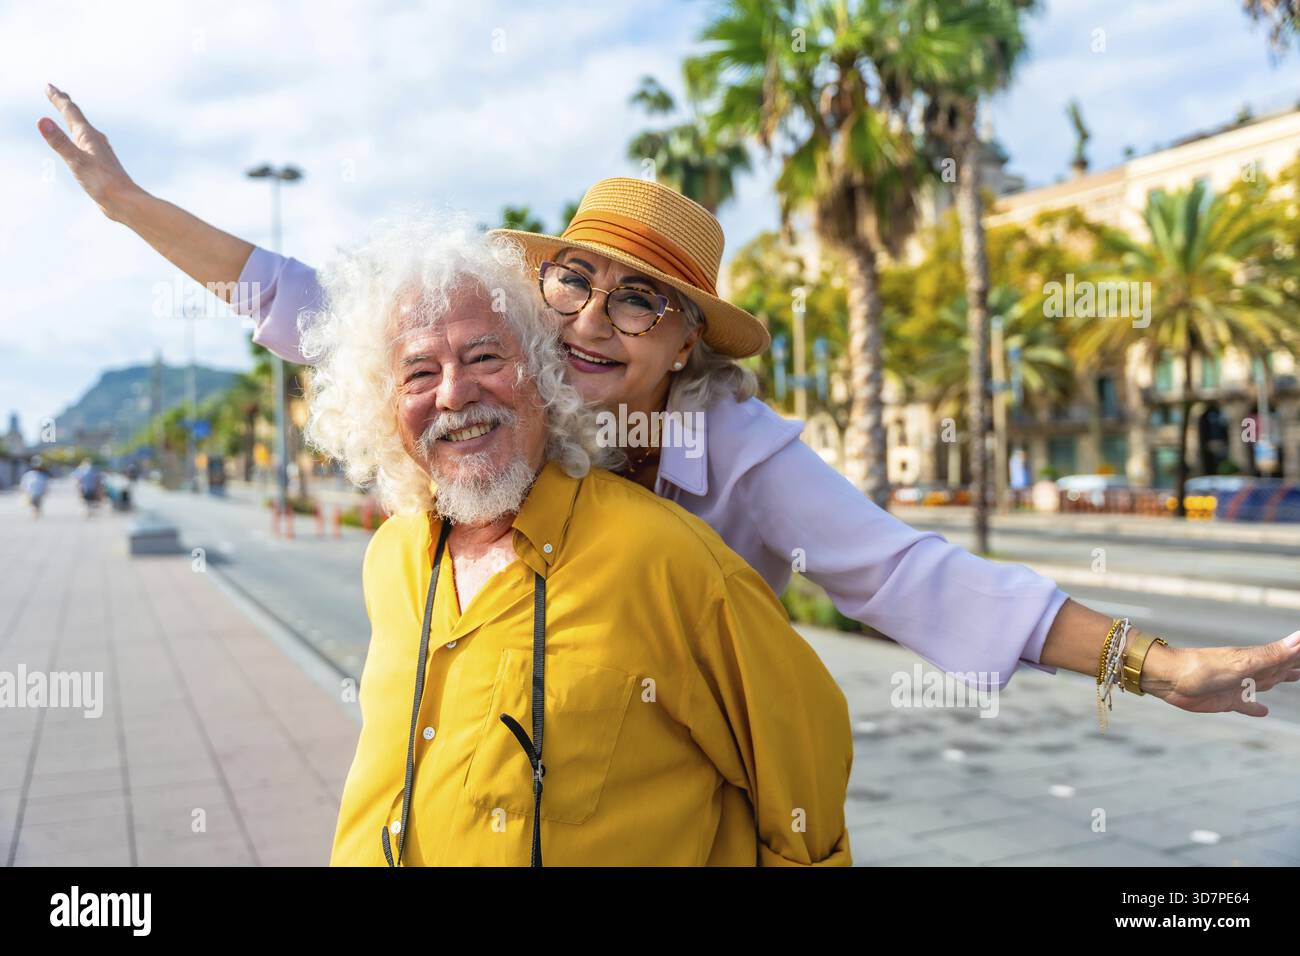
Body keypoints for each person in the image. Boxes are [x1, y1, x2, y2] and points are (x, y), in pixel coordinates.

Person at [39, 85, 1300, 726]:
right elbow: (299, 302)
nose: (590, 318)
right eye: (576, 281)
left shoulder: (733, 447)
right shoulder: (508, 377)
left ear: (688, 338)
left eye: (639, 302)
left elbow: (910, 576)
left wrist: (1159, 662)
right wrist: (127, 207)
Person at [301, 212, 851, 866]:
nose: (454, 393)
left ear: (543, 373)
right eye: (419, 374)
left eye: (484, 357)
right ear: (383, 405)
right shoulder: (391, 558)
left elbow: (805, 794)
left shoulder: (674, 565)